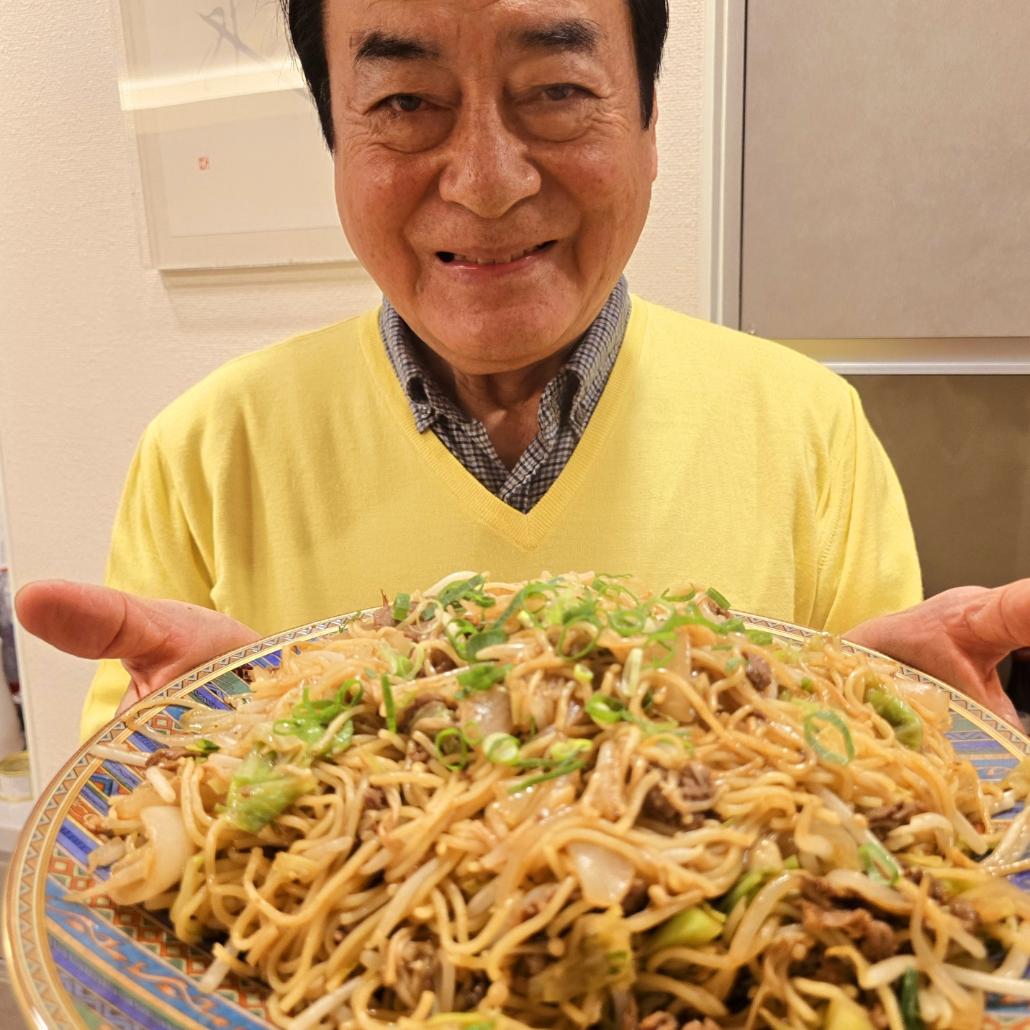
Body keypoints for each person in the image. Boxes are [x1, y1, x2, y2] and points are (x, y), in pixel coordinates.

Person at [15, 0, 1029, 738]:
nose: (488, 183)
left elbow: (871, 772)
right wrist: (189, 760)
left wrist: (935, 765)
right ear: (336, 140)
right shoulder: (208, 449)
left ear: (648, 130)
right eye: (407, 102)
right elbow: (114, 844)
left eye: (556, 93)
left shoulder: (811, 426)